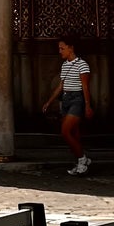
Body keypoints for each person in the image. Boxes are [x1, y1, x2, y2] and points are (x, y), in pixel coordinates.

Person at [43, 37, 93, 176]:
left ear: (71, 48)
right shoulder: (64, 65)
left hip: (77, 99)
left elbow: (85, 86)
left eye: (62, 48)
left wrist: (88, 106)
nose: (60, 51)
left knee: (65, 131)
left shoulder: (82, 65)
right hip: (66, 99)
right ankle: (80, 162)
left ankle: (83, 159)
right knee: (74, 133)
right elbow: (61, 85)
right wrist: (49, 101)